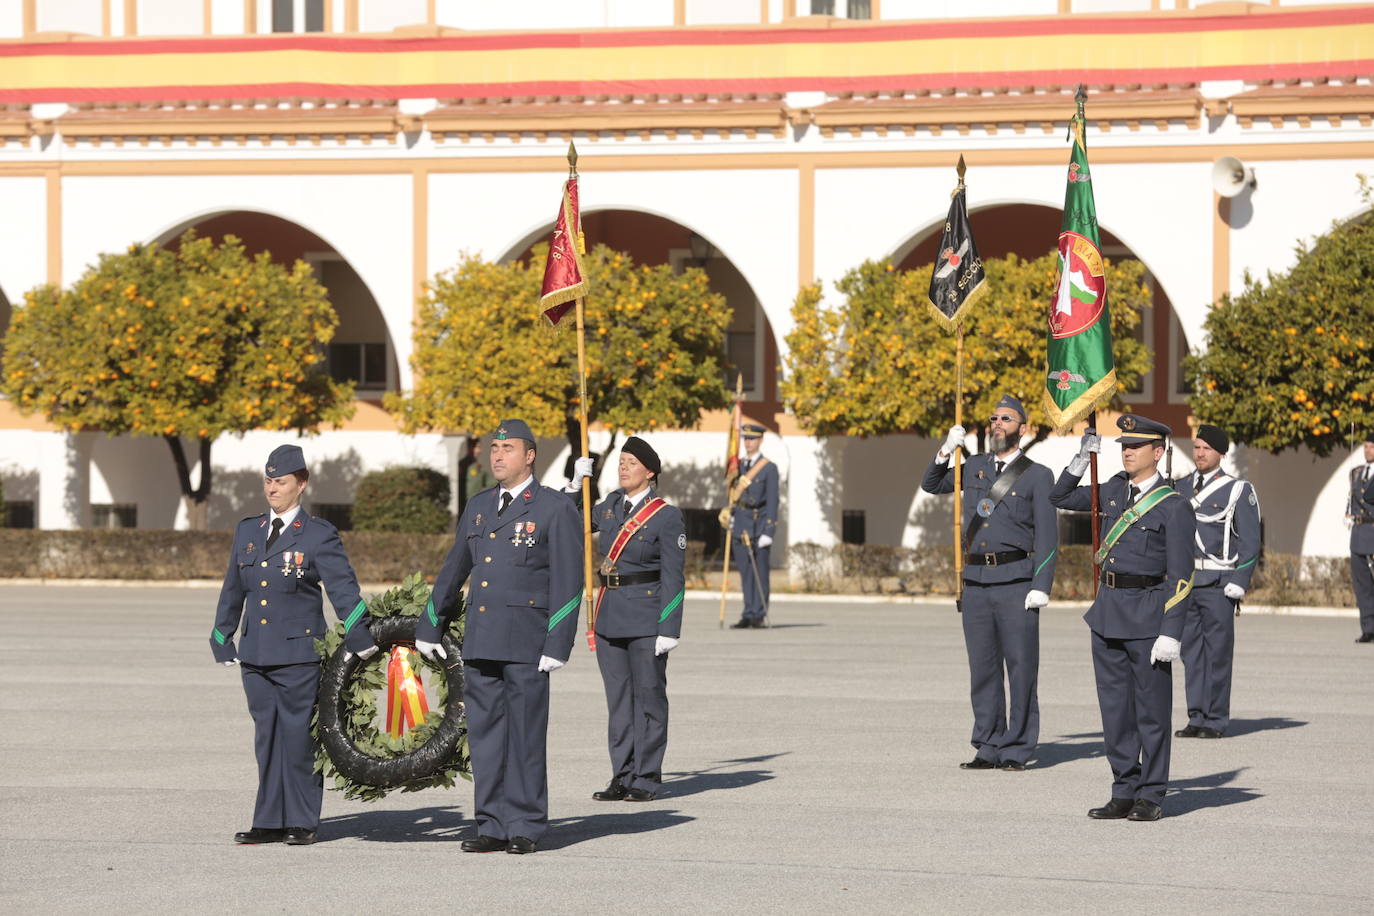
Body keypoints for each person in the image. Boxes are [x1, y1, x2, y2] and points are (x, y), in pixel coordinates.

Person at [414, 419, 583, 855]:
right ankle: (490, 823)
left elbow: (569, 582)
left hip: (527, 642)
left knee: (525, 736)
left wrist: (557, 643)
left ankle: (525, 823)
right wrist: (430, 623)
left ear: (529, 456)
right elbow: (455, 568)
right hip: (483, 639)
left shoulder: (553, 509)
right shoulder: (480, 506)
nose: (497, 455)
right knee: (486, 736)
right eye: (494, 448)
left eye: (507, 448)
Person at [209, 444, 379, 846]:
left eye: (280, 481)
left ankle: (302, 820)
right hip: (255, 654)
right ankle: (269, 819)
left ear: (300, 484)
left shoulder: (318, 535)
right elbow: (233, 589)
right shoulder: (248, 530)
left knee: (299, 739)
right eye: (268, 481)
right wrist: (222, 636)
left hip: (300, 656)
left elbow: (342, 590)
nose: (272, 488)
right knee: (266, 737)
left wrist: (361, 636)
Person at [1050, 414, 1196, 822]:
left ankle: (1151, 793)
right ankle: (1123, 788)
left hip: (1149, 617)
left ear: (1158, 451)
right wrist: (1081, 459)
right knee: (1114, 712)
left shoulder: (1174, 505)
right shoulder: (1113, 489)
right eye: (1123, 445)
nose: (1127, 451)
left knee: (1151, 713)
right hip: (1108, 611)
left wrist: (1172, 632)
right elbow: (1059, 498)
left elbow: (1183, 575)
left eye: (1136, 445)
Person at [920, 394, 1057, 772]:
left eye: (1007, 419)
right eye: (994, 418)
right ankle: (988, 744)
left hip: (1016, 581)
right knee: (982, 668)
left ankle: (1017, 747)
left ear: (1023, 429)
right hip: (977, 581)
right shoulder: (974, 466)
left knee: (1020, 667)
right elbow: (931, 485)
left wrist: (1041, 583)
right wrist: (945, 451)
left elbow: (1048, 536)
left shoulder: (1037, 475)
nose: (998, 424)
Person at [567, 437, 685, 802]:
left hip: (647, 616)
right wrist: (574, 486)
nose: (623, 467)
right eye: (621, 462)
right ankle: (622, 773)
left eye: (631, 463)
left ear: (649, 472)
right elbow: (571, 521)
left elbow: (674, 576)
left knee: (648, 698)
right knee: (618, 701)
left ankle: (647, 777)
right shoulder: (610, 506)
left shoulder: (665, 515)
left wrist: (669, 627)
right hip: (610, 614)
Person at [1174, 425, 1261, 739]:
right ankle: (1196, 715)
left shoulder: (1237, 490)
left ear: (1221, 453)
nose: (1200, 453)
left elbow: (1251, 542)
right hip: (1187, 584)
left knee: (1218, 654)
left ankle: (1215, 718)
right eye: (1197, 447)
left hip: (1219, 583)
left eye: (1207, 448)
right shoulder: (1180, 487)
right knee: (1191, 653)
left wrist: (1240, 580)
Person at [728, 423, 779, 629]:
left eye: (752, 439)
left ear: (760, 440)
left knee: (760, 573)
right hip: (740, 523)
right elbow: (733, 494)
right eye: (746, 439)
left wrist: (769, 530)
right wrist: (731, 515)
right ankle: (747, 612)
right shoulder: (737, 466)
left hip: (759, 525)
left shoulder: (769, 468)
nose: (748, 443)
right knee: (745, 572)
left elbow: (773, 501)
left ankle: (759, 613)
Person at [1347, 433, 1374, 644]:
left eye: (1371, 447)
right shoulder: (1355, 473)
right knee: (1362, 586)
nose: (1367, 450)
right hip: (1358, 533)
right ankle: (1368, 628)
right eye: (1365, 447)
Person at [458, 436, 496, 516]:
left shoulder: (478, 466)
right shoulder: (463, 465)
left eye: (479, 447)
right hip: (464, 508)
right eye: (477, 447)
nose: (479, 450)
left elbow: (489, 482)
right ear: (470, 448)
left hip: (475, 507)